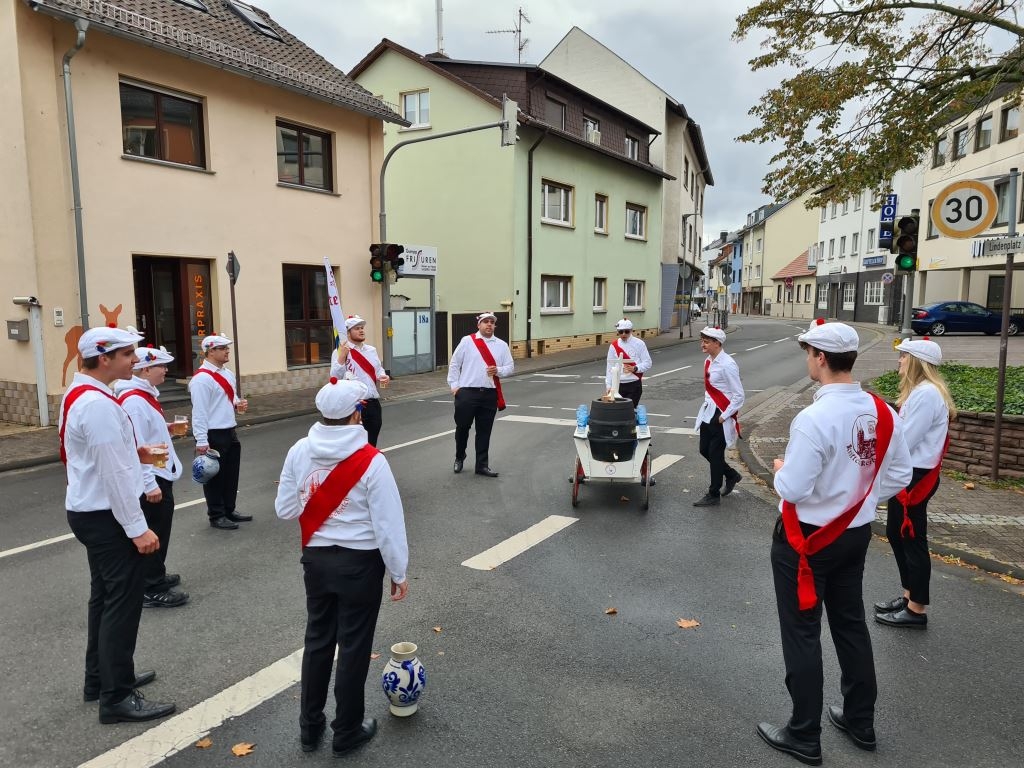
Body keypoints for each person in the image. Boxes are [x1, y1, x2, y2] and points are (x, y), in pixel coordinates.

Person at [757, 320, 912, 766]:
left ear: (820, 358)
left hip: (805, 540)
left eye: (808, 352)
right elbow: (899, 477)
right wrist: (855, 499)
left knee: (802, 632)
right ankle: (860, 720)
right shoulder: (883, 412)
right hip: (854, 534)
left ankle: (804, 733)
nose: (807, 358)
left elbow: (794, 489)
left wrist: (781, 466)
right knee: (850, 624)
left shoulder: (813, 418)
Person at [274, 378, 409, 756]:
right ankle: (347, 730)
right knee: (353, 646)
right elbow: (389, 524)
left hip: (316, 560)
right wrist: (398, 572)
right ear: (357, 414)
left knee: (317, 642)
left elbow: (284, 509)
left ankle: (309, 728)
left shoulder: (299, 451)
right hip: (360, 564)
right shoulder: (371, 460)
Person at [60, 326, 176, 724]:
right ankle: (117, 697)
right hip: (105, 515)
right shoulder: (97, 405)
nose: (135, 360)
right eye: (128, 354)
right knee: (121, 606)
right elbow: (113, 473)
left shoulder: (86, 395)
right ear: (104, 358)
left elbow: (100, 456)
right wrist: (137, 528)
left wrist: (137, 451)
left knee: (104, 599)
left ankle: (102, 678)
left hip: (90, 511)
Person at [875, 337, 955, 629]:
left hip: (916, 477)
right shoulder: (921, 392)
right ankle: (909, 595)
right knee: (897, 535)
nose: (899, 361)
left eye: (904, 357)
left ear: (916, 362)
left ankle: (917, 609)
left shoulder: (926, 395)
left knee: (911, 539)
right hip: (912, 474)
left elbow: (905, 439)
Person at [115, 345, 189, 608]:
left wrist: (166, 428)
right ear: (145, 369)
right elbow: (138, 445)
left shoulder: (143, 396)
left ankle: (155, 573)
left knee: (161, 529)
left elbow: (145, 434)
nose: (166, 371)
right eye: (162, 366)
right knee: (155, 530)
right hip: (153, 476)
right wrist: (149, 484)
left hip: (159, 471)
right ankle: (151, 586)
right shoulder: (134, 400)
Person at [189, 334, 250, 530]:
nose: (227, 351)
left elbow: (228, 398)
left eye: (227, 348)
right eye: (222, 348)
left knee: (231, 474)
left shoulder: (227, 373)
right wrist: (201, 440)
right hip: (213, 433)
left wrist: (237, 403)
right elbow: (199, 413)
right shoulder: (201, 379)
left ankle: (229, 509)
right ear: (210, 351)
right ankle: (216, 515)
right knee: (215, 477)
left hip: (229, 430)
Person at [447, 312, 515, 477]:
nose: (489, 324)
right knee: (462, 427)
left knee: (484, 431)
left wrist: (498, 370)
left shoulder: (501, 345)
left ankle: (482, 465)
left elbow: (510, 368)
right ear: (479, 325)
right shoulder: (467, 341)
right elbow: (455, 364)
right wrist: (454, 386)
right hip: (467, 393)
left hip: (489, 394)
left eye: (492, 322)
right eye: (486, 322)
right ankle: (459, 456)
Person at [692, 327, 744, 507]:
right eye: (702, 341)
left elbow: (739, 395)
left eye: (706, 342)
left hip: (722, 414)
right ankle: (731, 475)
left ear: (717, 343)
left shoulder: (727, 364)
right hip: (709, 411)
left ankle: (713, 493)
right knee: (704, 450)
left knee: (715, 453)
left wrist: (725, 416)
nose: (702, 344)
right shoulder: (708, 361)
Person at [330, 315, 390, 447]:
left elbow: (378, 369)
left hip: (373, 402)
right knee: (356, 444)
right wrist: (342, 356)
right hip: (354, 405)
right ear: (348, 332)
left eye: (362, 328)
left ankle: (370, 464)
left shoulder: (371, 350)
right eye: (356, 328)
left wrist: (383, 375)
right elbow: (334, 377)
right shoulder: (340, 352)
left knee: (372, 442)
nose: (361, 330)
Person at [604, 318, 652, 408]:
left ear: (631, 331)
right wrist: (608, 386)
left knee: (630, 411)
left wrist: (636, 368)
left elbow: (648, 362)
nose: (623, 334)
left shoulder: (639, 344)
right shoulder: (613, 346)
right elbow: (610, 367)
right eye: (620, 332)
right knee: (617, 412)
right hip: (617, 385)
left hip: (633, 384)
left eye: (626, 331)